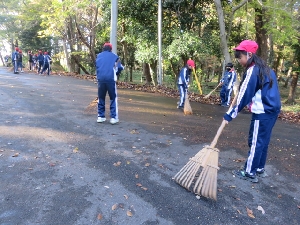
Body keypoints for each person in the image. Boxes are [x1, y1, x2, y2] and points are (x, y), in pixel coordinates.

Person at [223, 40, 281, 183]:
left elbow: (243, 96)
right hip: (273, 110)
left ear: (249, 55)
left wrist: (230, 114)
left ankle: (249, 172)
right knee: (263, 140)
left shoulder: (252, 70)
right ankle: (259, 168)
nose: (239, 60)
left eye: (240, 57)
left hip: (262, 112)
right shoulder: (266, 68)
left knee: (255, 141)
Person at [96, 42, 124, 125]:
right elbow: (120, 67)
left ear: (103, 48)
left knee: (101, 98)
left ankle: (100, 116)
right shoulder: (115, 56)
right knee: (113, 98)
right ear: (110, 49)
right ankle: (113, 117)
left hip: (100, 79)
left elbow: (96, 66)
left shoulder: (98, 56)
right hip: (110, 79)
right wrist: (116, 73)